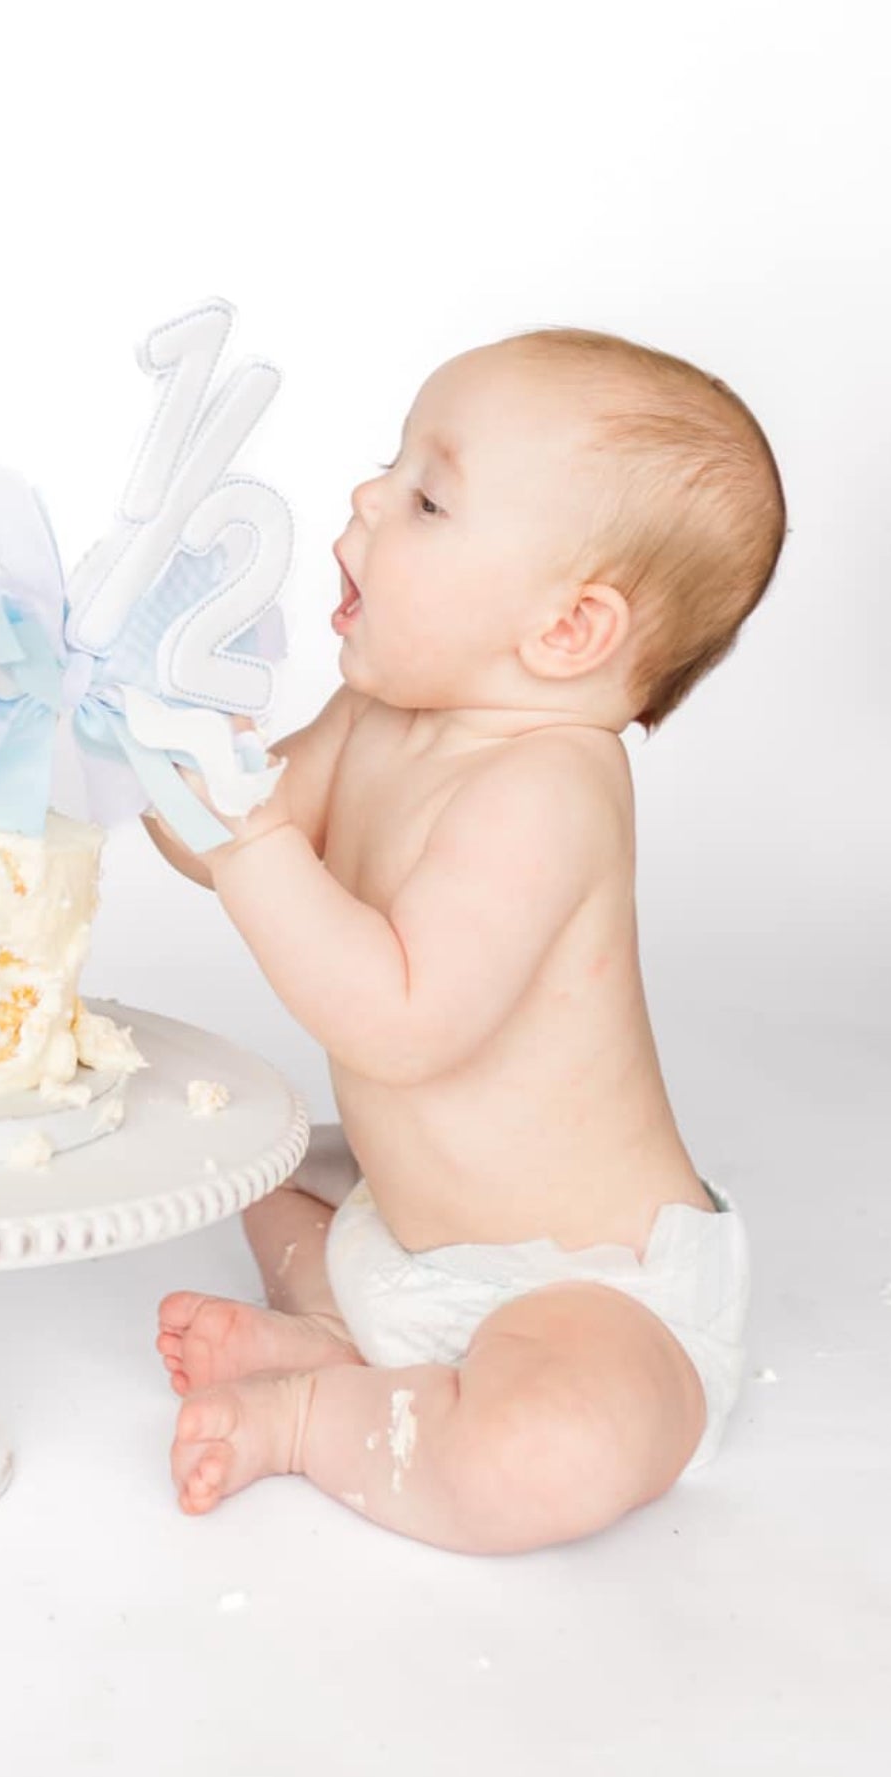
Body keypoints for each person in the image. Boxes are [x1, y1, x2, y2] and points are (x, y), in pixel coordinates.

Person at [143, 326, 785, 1554]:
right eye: (392, 465)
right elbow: (228, 839)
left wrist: (251, 839)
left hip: (584, 1292)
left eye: (428, 499)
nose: (366, 497)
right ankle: (355, 1334)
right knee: (238, 1155)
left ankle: (318, 1412)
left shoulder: (550, 789)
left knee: (545, 1449)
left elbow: (400, 1021)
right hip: (408, 1234)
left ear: (568, 630)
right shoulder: (378, 710)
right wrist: (176, 751)